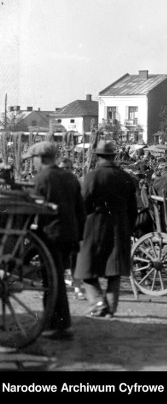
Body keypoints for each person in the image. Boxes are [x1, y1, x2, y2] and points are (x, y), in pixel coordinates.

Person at [23, 141, 85, 340]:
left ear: (41, 159)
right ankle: (57, 323)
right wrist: (79, 237)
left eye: (33, 160)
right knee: (55, 277)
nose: (33, 164)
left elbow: (29, 211)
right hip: (69, 235)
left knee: (53, 279)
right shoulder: (70, 177)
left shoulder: (41, 179)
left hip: (50, 235)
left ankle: (58, 326)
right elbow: (80, 211)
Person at [74, 140, 138, 318]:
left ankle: (98, 302)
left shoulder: (92, 176)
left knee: (85, 269)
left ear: (97, 156)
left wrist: (81, 225)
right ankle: (110, 308)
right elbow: (133, 209)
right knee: (114, 270)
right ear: (114, 156)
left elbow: (83, 204)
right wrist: (128, 227)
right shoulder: (126, 177)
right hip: (120, 225)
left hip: (96, 225)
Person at [59, 156, 86, 301]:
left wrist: (81, 229)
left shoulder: (75, 183)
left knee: (74, 259)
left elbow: (80, 207)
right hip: (57, 227)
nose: (66, 171)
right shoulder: (54, 183)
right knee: (60, 261)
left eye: (68, 168)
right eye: (63, 168)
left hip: (72, 226)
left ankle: (77, 288)